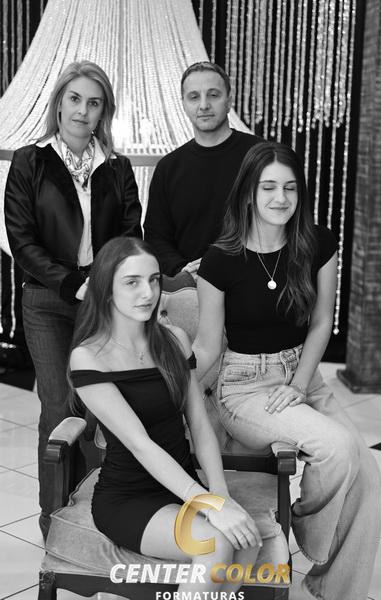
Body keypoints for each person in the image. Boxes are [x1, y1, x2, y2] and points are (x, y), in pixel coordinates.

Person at [194, 141, 381, 600]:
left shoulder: (317, 243)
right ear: (248, 193)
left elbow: (321, 323)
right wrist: (170, 391)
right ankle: (304, 525)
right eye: (269, 187)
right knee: (337, 447)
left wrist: (299, 384)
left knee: (369, 479)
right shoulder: (220, 260)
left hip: (303, 374)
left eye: (290, 188)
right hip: (245, 388)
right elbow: (208, 345)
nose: (281, 198)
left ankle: (336, 590)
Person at [68, 236, 286, 595]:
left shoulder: (174, 340)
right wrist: (208, 504)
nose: (148, 293)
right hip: (128, 497)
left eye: (154, 280)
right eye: (132, 282)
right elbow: (139, 444)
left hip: (182, 484)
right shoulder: (89, 357)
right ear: (106, 290)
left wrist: (219, 494)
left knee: (246, 540)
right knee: (216, 543)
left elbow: (199, 424)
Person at [4, 60, 142, 539]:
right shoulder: (30, 160)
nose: (83, 111)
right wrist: (71, 284)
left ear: (104, 111)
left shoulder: (117, 167)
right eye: (75, 99)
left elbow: (131, 235)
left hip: (101, 303)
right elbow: (21, 240)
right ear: (59, 102)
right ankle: (54, 520)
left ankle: (92, 513)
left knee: (96, 406)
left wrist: (103, 286)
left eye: (94, 102)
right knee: (58, 405)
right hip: (47, 299)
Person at [144, 61, 261, 278]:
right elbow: (156, 237)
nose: (204, 105)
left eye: (213, 95)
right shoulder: (168, 168)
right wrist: (184, 271)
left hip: (251, 282)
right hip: (187, 287)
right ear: (183, 104)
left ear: (229, 101)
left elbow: (281, 226)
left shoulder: (260, 157)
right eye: (194, 97)